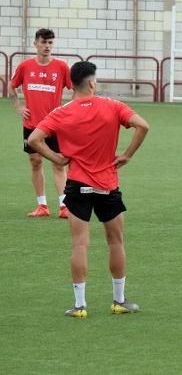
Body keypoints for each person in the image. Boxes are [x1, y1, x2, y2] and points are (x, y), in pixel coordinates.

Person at [27, 61, 149, 318]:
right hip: (108, 184)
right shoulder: (113, 106)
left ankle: (80, 305)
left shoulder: (62, 112)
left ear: (72, 84)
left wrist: (56, 158)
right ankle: (119, 301)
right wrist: (127, 154)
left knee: (80, 245)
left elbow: (34, 139)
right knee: (115, 241)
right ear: (92, 82)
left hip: (77, 185)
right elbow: (143, 126)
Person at [8, 28, 72, 218]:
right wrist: (18, 106)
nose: (47, 46)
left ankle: (64, 206)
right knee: (35, 162)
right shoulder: (25, 66)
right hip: (31, 124)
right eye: (43, 42)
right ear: (35, 43)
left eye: (50, 43)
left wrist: (69, 110)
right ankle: (42, 206)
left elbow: (75, 88)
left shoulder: (61, 67)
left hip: (54, 125)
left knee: (59, 163)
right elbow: (12, 85)